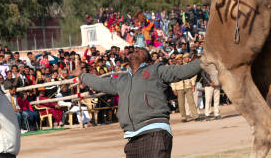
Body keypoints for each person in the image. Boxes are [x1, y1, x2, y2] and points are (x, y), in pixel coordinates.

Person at [75, 46, 214, 158]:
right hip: (132, 138)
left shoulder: (156, 70)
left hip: (155, 132)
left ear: (146, 60)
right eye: (133, 49)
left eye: (139, 50)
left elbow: (183, 71)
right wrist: (82, 75)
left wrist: (207, 58)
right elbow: (100, 83)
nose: (134, 50)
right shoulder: (122, 80)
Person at [170, 54, 198, 122]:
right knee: (181, 104)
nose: (180, 60)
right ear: (176, 60)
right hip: (179, 87)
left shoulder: (185, 66)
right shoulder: (174, 68)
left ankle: (195, 116)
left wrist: (193, 84)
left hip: (188, 85)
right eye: (179, 59)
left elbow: (190, 75)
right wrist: (173, 89)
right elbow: (172, 79)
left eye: (181, 59)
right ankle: (183, 117)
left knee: (191, 102)